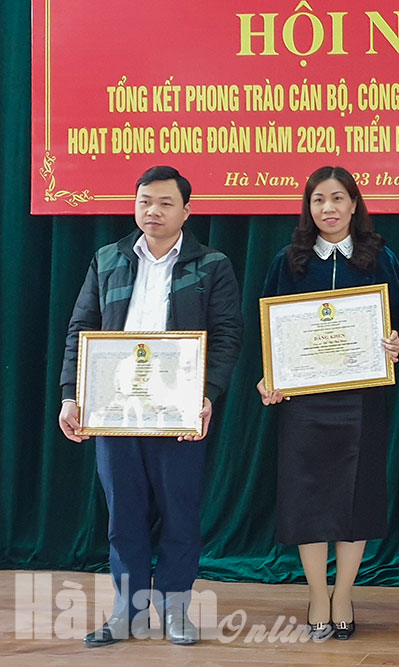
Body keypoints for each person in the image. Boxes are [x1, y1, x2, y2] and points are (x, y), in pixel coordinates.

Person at [57, 166, 243, 647]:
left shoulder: (211, 264)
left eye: (164, 203)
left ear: (186, 210)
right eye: (144, 201)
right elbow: (81, 330)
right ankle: (129, 611)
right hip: (114, 410)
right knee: (123, 515)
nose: (152, 211)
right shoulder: (107, 259)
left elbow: (227, 337)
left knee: (180, 513)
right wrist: (71, 395)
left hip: (178, 411)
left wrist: (206, 396)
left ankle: (176, 609)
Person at [257, 166, 399, 641]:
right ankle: (317, 593)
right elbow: (269, 328)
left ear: (354, 204)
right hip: (304, 403)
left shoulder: (380, 258)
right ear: (308, 207)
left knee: (356, 498)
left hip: (363, 400)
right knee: (309, 498)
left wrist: (394, 343)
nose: (329, 208)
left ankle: (344, 593)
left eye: (338, 198)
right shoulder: (289, 260)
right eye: (319, 199)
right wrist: (270, 376)